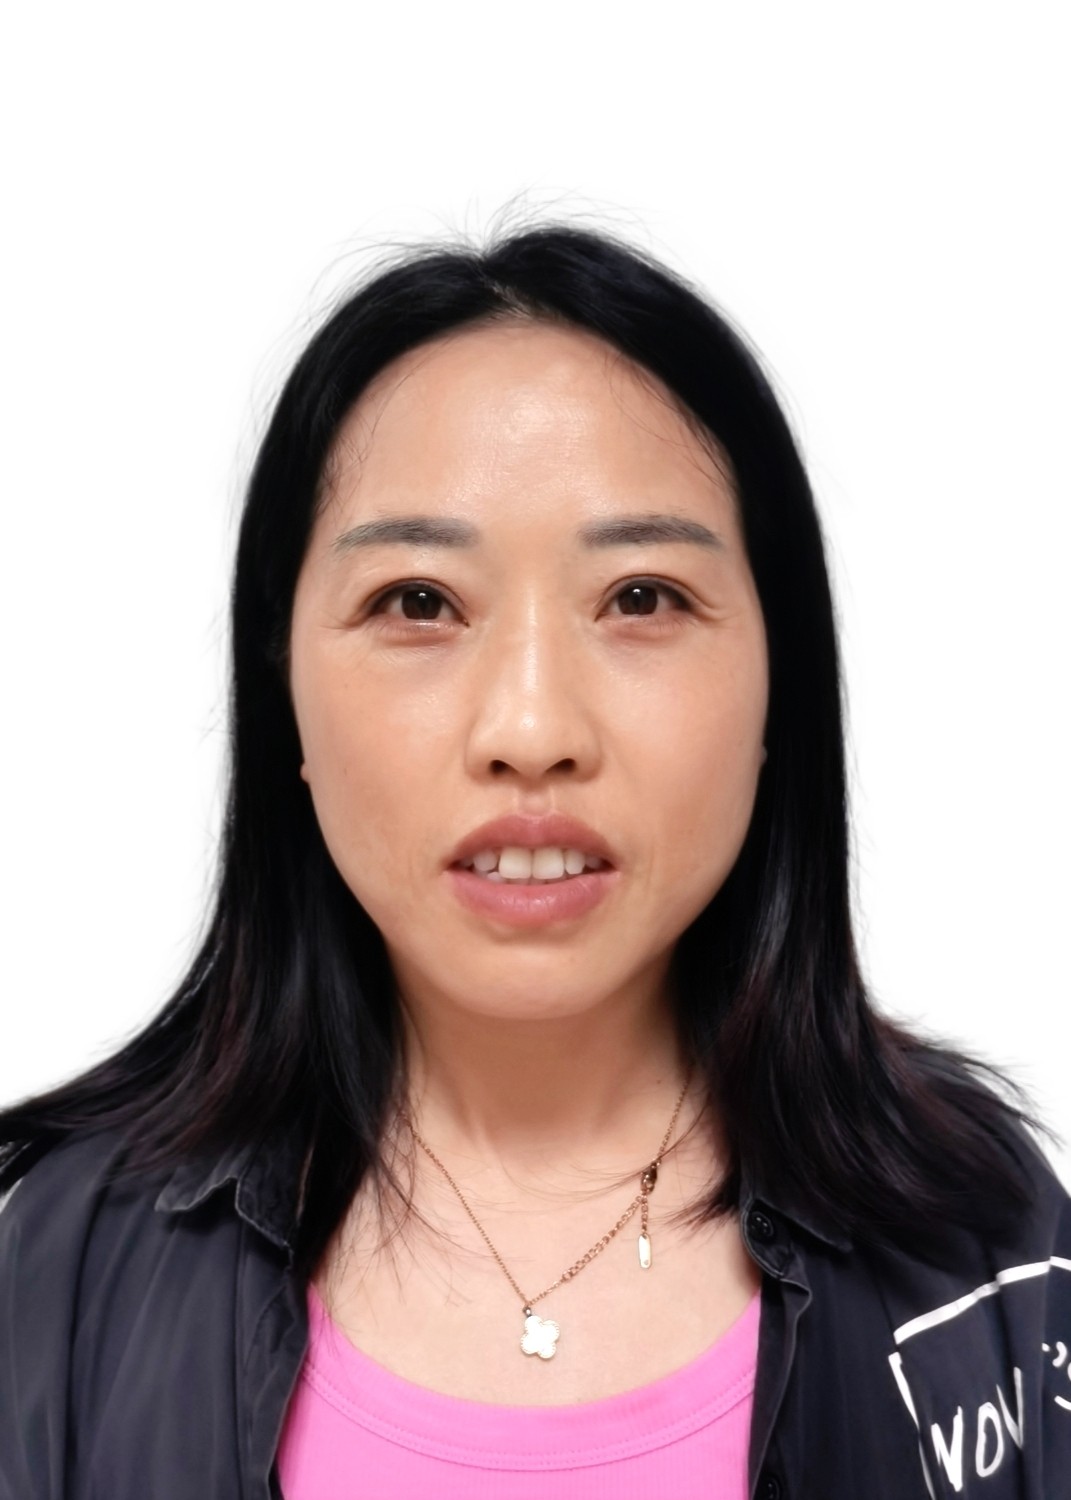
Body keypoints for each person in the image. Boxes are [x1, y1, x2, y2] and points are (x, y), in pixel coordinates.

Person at [1, 224, 1068, 1500]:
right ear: (282, 694)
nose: (530, 729)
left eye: (640, 599)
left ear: (779, 682)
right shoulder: (64, 1261)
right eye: (418, 603)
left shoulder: (985, 1242)